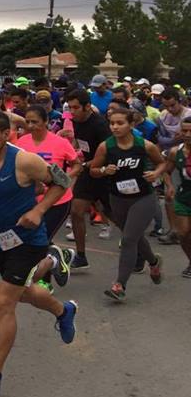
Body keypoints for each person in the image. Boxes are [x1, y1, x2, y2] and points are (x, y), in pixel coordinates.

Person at [0, 110, 77, 397]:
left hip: (28, 240)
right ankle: (63, 310)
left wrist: (38, 210)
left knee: (5, 300)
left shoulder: (24, 161)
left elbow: (62, 182)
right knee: (25, 293)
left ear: (5, 134)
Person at [89, 107, 167, 301]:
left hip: (143, 198)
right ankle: (154, 261)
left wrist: (156, 174)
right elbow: (93, 170)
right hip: (118, 198)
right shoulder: (105, 147)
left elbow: (162, 163)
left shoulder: (145, 145)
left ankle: (119, 285)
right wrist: (104, 170)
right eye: (112, 123)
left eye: (120, 123)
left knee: (129, 239)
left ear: (131, 125)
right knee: (135, 237)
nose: (115, 127)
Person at [15, 104, 81, 291]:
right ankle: (64, 256)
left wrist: (67, 178)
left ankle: (45, 281)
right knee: (36, 238)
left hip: (58, 201)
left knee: (42, 240)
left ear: (46, 122)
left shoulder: (60, 142)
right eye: (27, 122)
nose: (30, 125)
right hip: (31, 200)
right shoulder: (22, 142)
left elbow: (76, 164)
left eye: (35, 122)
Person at [62, 89, 113, 269]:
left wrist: (85, 165)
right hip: (87, 172)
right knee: (76, 211)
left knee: (117, 216)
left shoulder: (100, 125)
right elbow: (80, 144)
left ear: (87, 107)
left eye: (76, 107)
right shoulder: (75, 121)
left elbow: (107, 154)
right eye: (70, 107)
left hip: (104, 173)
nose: (72, 111)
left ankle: (142, 253)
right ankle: (81, 256)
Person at [162, 118, 191, 277]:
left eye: (190, 131)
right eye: (184, 131)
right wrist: (170, 186)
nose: (187, 134)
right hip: (183, 196)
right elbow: (166, 170)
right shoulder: (175, 151)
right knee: (183, 233)